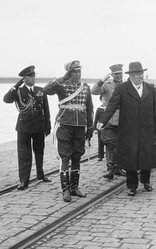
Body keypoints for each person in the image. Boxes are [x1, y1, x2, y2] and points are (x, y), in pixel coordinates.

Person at [97, 62, 156, 197]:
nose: (140, 76)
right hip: (129, 130)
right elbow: (112, 106)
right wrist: (102, 121)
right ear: (131, 75)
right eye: (137, 74)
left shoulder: (150, 88)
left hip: (146, 129)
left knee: (146, 157)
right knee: (130, 159)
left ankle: (146, 181)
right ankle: (132, 186)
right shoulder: (122, 89)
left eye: (141, 73)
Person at [44, 60, 94, 202]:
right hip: (64, 125)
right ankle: (65, 189)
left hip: (79, 126)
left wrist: (90, 127)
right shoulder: (61, 85)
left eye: (79, 71)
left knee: (77, 156)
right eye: (74, 72)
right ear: (69, 73)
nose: (78, 74)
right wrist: (63, 78)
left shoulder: (85, 87)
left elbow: (89, 108)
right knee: (65, 156)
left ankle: (74, 187)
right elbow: (46, 90)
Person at [3, 66, 51, 190]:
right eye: (30, 76)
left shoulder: (41, 90)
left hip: (39, 126)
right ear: (24, 78)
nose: (33, 78)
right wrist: (17, 84)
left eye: (34, 75)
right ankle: (24, 180)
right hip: (24, 127)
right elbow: (6, 99)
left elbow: (46, 108)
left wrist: (48, 125)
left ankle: (41, 174)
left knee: (39, 151)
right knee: (24, 155)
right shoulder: (18, 91)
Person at [91, 64, 126, 179]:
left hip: (124, 118)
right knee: (110, 144)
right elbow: (94, 91)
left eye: (120, 73)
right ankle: (110, 169)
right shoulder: (107, 85)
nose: (119, 76)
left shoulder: (126, 85)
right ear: (112, 75)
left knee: (121, 144)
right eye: (116, 74)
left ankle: (119, 167)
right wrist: (101, 81)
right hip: (110, 119)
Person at [93, 96, 106, 161]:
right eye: (103, 99)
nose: (105, 100)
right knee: (100, 142)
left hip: (108, 127)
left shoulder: (110, 108)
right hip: (100, 127)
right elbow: (96, 119)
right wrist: (95, 129)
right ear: (101, 100)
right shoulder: (99, 109)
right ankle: (100, 156)